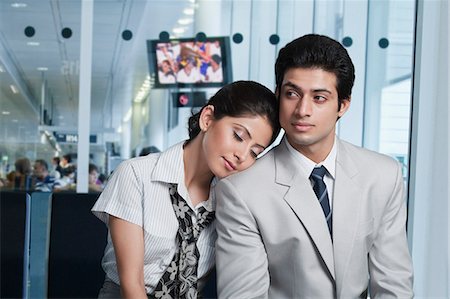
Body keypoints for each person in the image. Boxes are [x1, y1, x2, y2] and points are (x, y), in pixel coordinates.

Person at [215, 34, 414, 298]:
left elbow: (394, 286)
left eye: (319, 98)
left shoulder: (382, 175)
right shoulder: (241, 190)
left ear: (343, 105)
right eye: (291, 94)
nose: (302, 110)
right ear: (278, 96)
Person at [91, 80, 281, 299]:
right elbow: (131, 285)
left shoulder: (230, 198)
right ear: (207, 118)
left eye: (255, 152)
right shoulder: (136, 175)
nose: (242, 155)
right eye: (238, 136)